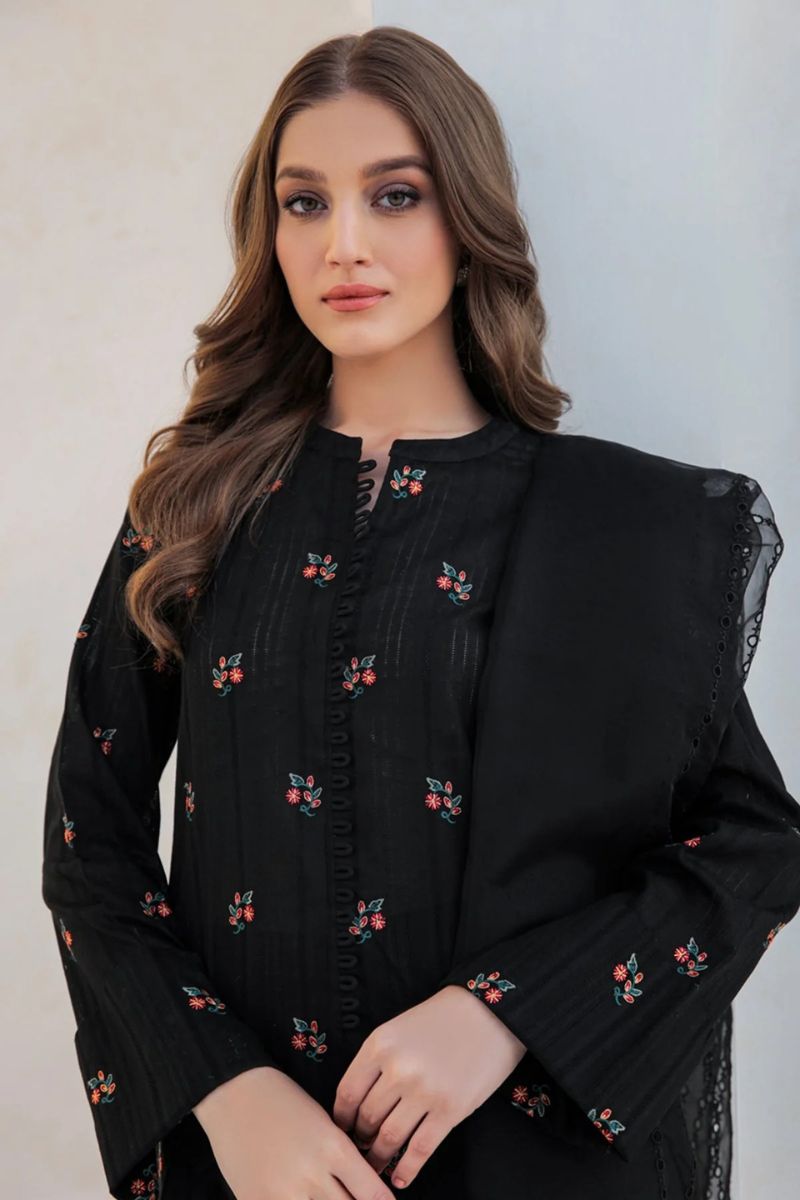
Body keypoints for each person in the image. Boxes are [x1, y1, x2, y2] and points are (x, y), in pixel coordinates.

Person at [41, 25, 799, 1200]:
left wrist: (505, 1017)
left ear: (467, 219)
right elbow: (87, 843)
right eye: (304, 202)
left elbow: (753, 845)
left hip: (528, 1159)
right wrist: (223, 1093)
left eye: (394, 194)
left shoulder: (619, 528)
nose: (342, 242)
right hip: (255, 1174)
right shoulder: (194, 509)